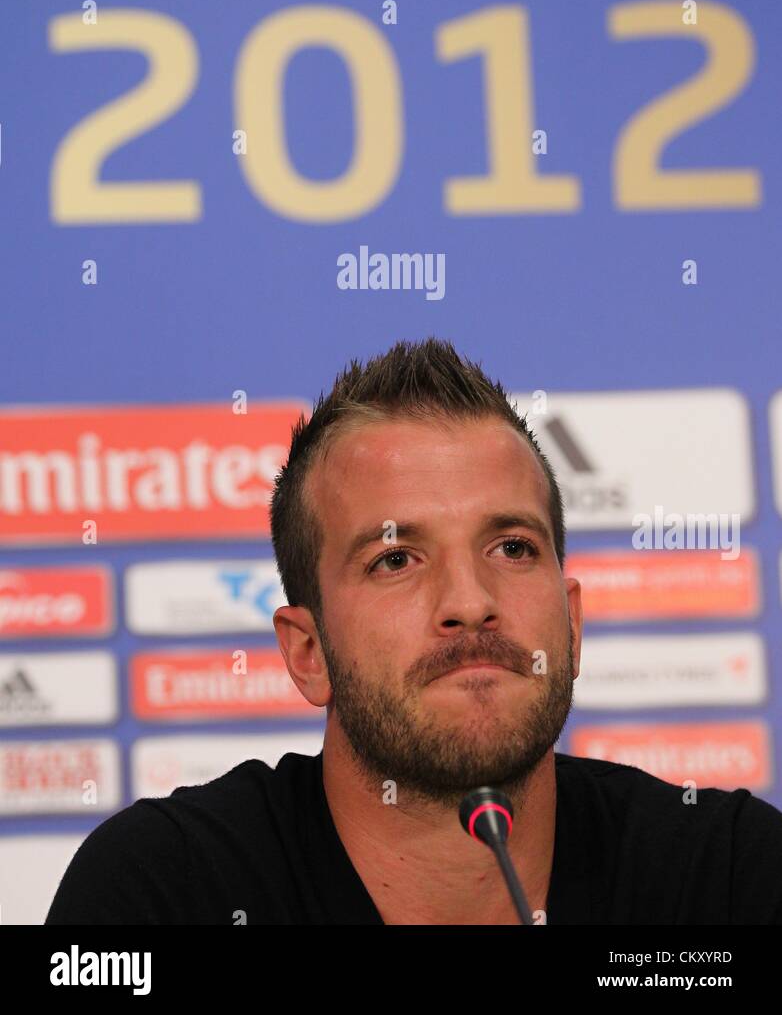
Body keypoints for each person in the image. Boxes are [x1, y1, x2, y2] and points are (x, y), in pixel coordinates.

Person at [45, 338, 782, 925]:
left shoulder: (725, 875)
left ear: (574, 622)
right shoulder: (165, 890)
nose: (470, 601)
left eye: (513, 548)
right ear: (308, 653)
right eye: (396, 558)